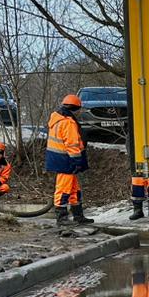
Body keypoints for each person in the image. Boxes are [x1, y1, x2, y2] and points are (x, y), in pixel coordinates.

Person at [46, 93, 93, 227]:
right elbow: (72, 144)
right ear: (75, 108)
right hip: (65, 160)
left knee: (74, 189)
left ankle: (78, 216)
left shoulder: (57, 119)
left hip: (60, 159)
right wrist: (77, 161)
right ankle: (62, 218)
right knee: (63, 189)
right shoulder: (68, 122)